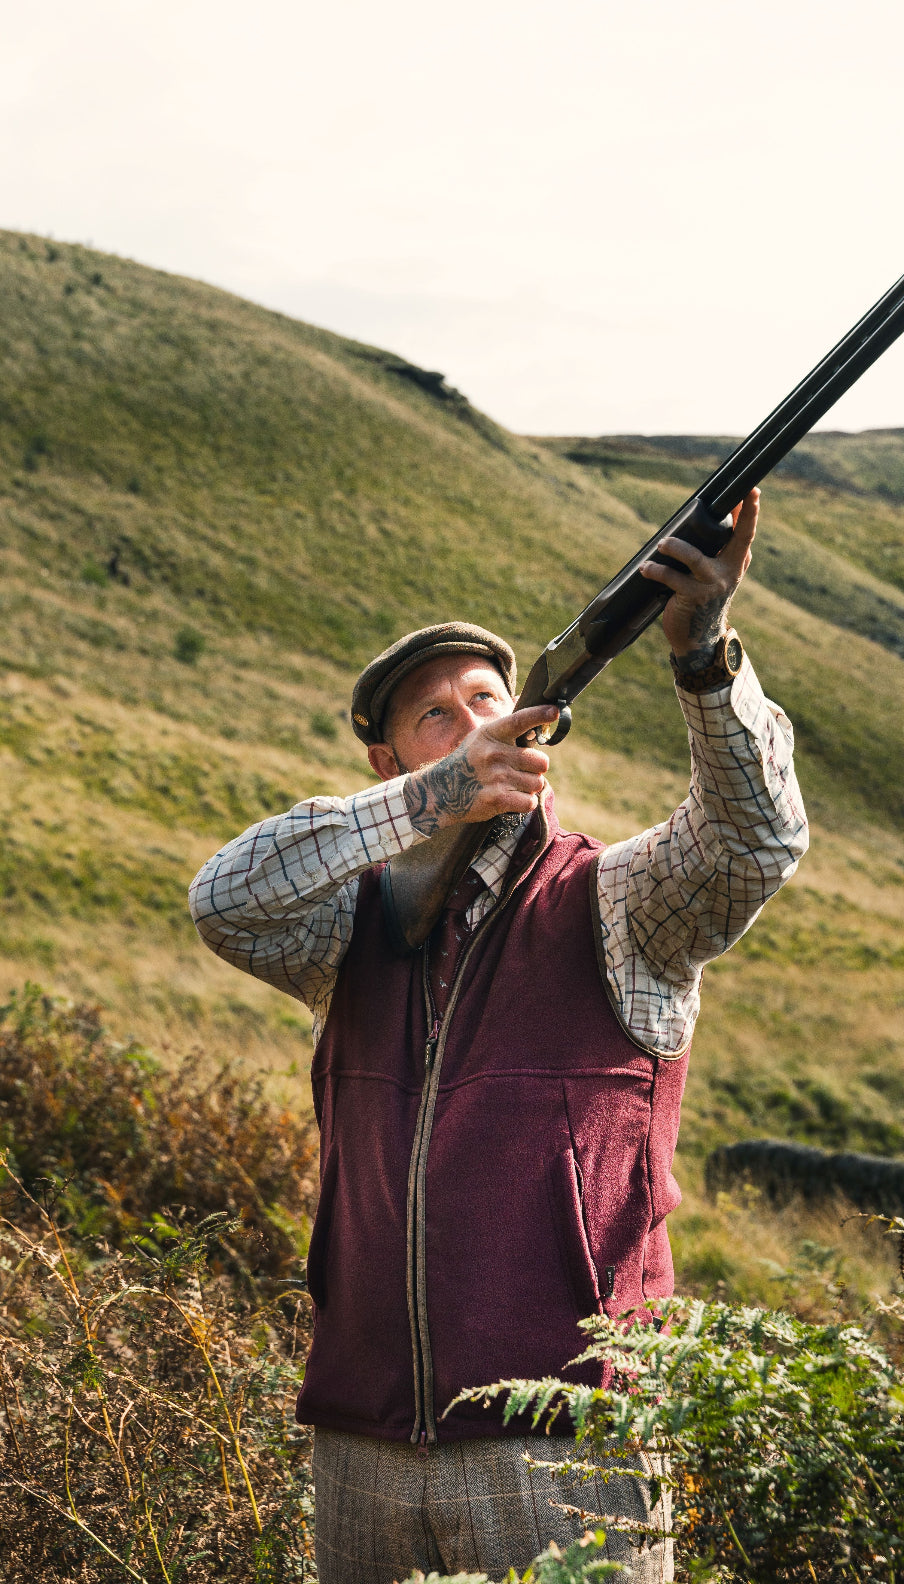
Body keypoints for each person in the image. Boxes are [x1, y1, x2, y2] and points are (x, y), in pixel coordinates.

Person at [189, 489, 808, 1583]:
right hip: (363, 1447)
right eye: (438, 717)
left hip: (568, 1452)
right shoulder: (354, 924)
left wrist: (703, 656)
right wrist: (428, 808)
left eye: (490, 697)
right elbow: (223, 898)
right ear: (396, 766)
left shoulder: (616, 902)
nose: (478, 721)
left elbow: (755, 843)